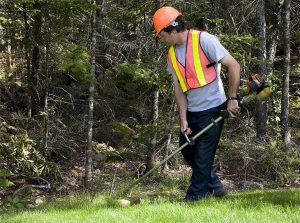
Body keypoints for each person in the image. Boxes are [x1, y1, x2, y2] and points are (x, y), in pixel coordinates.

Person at [153, 6, 241, 201]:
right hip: (192, 111)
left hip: (213, 109)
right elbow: (179, 88)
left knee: (202, 157)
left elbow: (234, 65)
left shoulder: (205, 40)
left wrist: (232, 98)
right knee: (187, 151)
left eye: (161, 35)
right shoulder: (171, 54)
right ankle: (216, 187)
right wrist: (183, 118)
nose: (160, 39)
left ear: (173, 30)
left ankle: (194, 198)